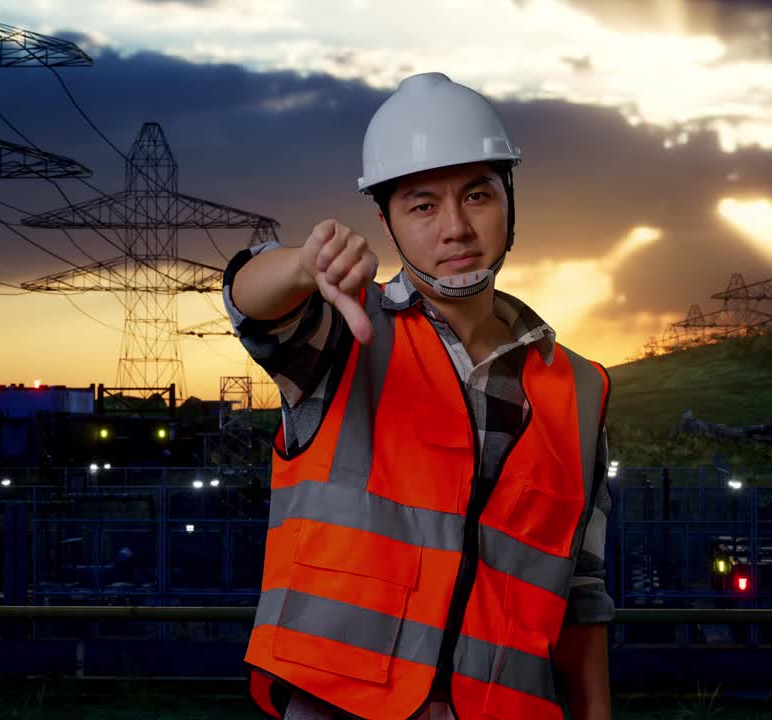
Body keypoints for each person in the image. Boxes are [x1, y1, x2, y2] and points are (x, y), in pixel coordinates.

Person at [224, 72, 614, 720]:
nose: (455, 228)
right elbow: (251, 309)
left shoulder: (580, 389)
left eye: (478, 195)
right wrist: (299, 268)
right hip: (341, 706)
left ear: (510, 200)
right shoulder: (344, 333)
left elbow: (581, 592)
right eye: (423, 205)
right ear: (386, 221)